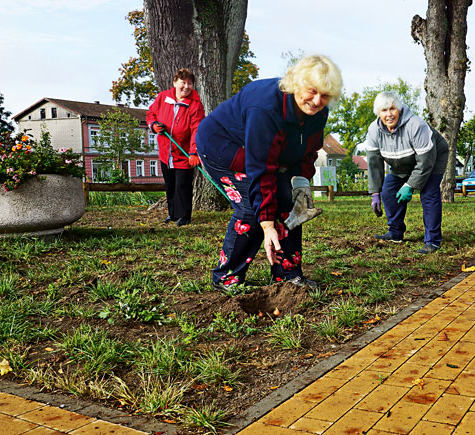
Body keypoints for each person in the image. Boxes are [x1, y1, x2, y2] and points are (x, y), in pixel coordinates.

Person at [195, 55, 342, 293]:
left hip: (263, 155)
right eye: (312, 91)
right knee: (252, 208)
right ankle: (226, 277)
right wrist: (267, 224)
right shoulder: (265, 106)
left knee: (288, 201)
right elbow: (260, 167)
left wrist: (301, 188)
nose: (316, 101)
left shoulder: (318, 113)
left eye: (324, 96)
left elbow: (308, 151)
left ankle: (288, 275)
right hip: (223, 147)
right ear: (296, 83)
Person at [363, 91, 449, 254]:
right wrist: (375, 193)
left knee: (429, 194)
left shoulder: (416, 125)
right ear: (378, 113)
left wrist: (410, 185)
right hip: (401, 163)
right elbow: (374, 163)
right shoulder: (374, 130)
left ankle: (432, 241)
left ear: (399, 109)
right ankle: (395, 232)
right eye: (384, 110)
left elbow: (425, 162)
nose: (389, 114)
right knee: (388, 192)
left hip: (433, 158)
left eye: (392, 109)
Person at [147, 68, 205, 226]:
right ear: (175, 82)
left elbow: (197, 130)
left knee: (183, 186)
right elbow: (151, 114)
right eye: (183, 82)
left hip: (184, 154)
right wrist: (153, 126)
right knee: (170, 184)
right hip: (166, 153)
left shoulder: (195, 105)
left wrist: (194, 152)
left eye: (190, 83)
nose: (186, 86)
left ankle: (184, 216)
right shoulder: (163, 97)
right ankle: (172, 214)